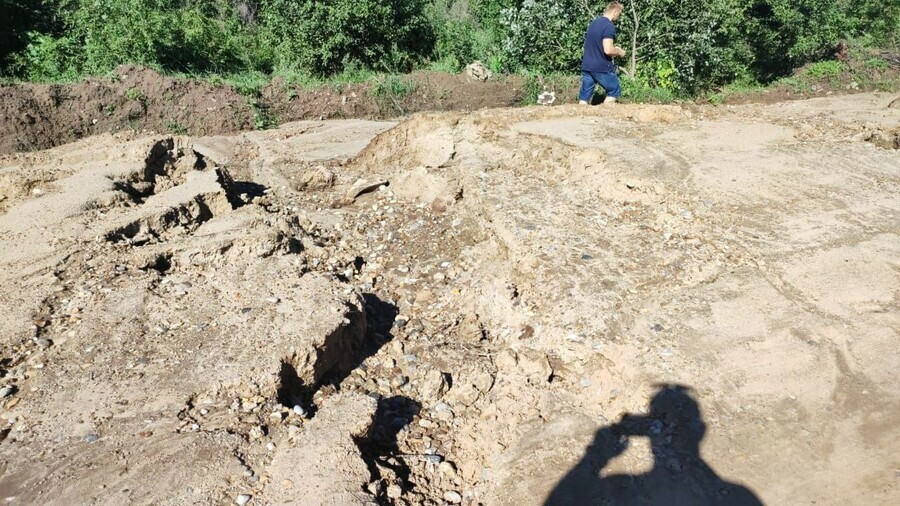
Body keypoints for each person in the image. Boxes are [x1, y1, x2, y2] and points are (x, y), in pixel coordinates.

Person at [579, 2, 627, 105]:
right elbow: (608, 50)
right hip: (601, 67)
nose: (619, 16)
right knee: (614, 90)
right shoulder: (609, 26)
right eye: (619, 13)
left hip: (587, 66)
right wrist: (619, 51)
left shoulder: (594, 23)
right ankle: (606, 116)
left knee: (584, 97)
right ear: (615, 12)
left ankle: (579, 118)